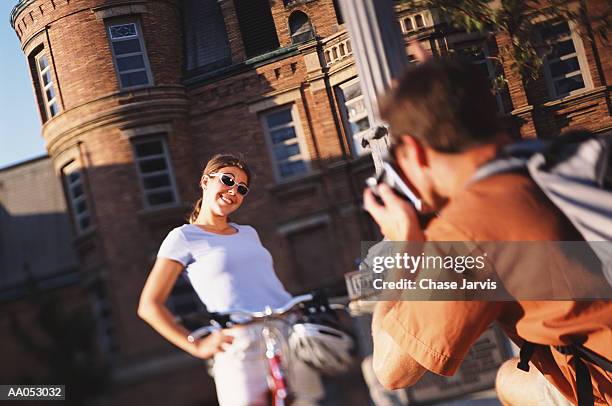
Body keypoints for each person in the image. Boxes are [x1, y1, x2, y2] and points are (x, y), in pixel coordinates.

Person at [362, 58, 612, 405]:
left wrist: (404, 248)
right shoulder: (552, 159)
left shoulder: (468, 226)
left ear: (416, 153)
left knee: (510, 380)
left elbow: (391, 370)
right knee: (515, 376)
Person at [137, 154, 324, 406]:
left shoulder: (248, 233)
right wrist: (197, 346)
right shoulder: (183, 237)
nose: (233, 190)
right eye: (227, 180)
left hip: (286, 333)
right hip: (239, 346)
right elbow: (149, 305)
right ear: (205, 181)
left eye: (241, 188)